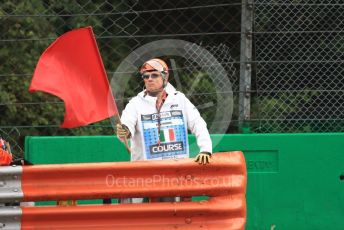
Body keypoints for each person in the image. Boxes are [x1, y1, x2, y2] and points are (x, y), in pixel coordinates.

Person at [116, 58, 212, 164]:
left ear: (165, 77)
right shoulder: (135, 103)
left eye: (154, 75)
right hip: (145, 172)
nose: (149, 79)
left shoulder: (180, 99)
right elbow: (126, 127)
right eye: (146, 76)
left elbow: (198, 124)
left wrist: (206, 150)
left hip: (178, 169)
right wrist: (124, 131)